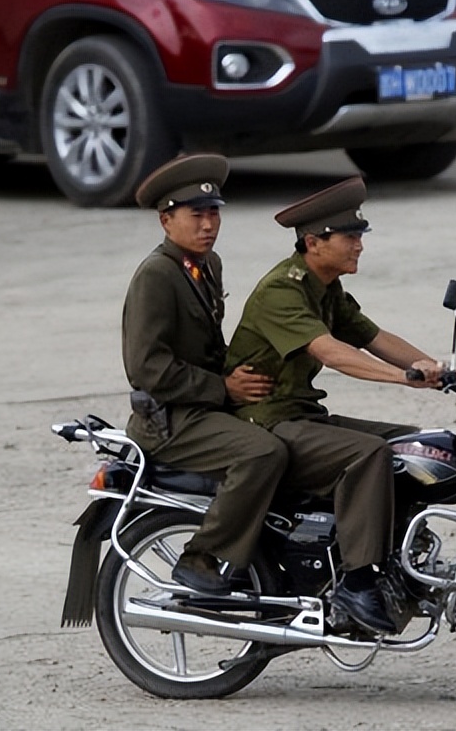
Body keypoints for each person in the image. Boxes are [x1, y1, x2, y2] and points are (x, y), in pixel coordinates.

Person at [225, 176, 456, 635]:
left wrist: (440, 370)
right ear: (314, 242)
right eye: (350, 237)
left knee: (410, 446)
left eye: (359, 236)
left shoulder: (326, 288)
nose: (359, 246)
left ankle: (394, 560)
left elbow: (375, 338)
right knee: (367, 454)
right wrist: (404, 378)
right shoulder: (283, 289)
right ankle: (357, 582)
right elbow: (332, 353)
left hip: (301, 415)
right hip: (266, 421)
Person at [121, 154, 287, 595]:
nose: (209, 225)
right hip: (171, 420)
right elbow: (146, 366)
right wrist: (223, 389)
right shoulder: (156, 275)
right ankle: (201, 556)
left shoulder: (205, 265)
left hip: (202, 406)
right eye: (197, 215)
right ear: (165, 220)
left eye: (214, 213)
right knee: (261, 453)